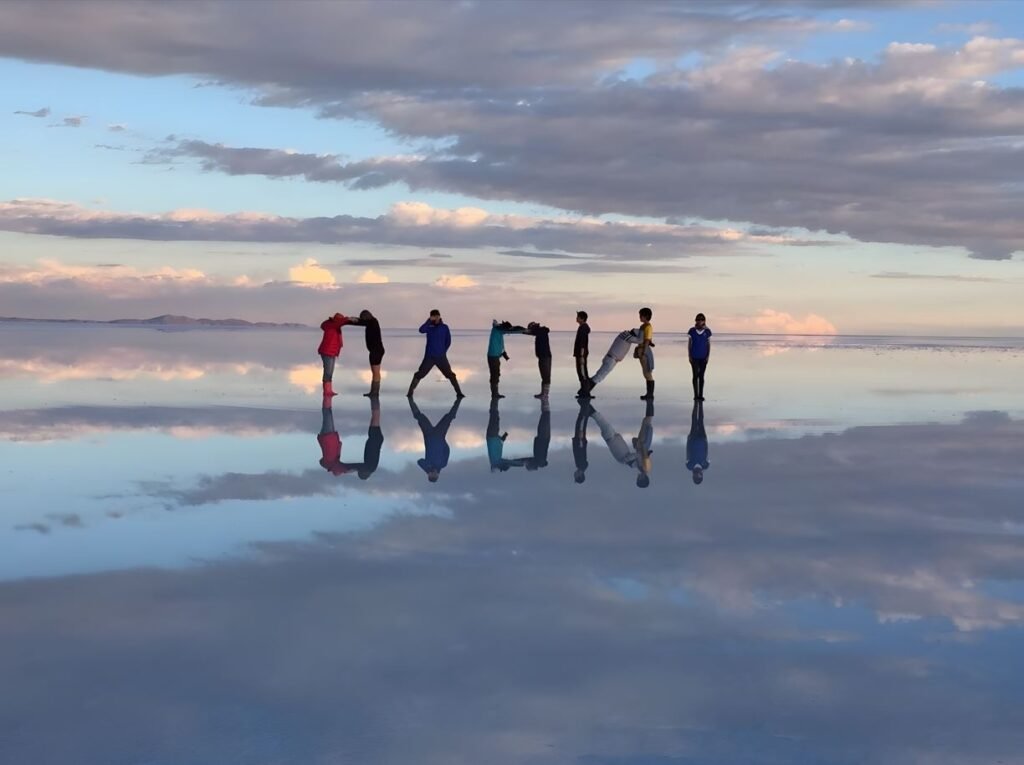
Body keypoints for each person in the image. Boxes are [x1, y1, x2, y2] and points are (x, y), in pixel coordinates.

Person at [406, 309, 465, 398]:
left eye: (437, 316)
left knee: (450, 375)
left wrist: (443, 351)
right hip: (429, 357)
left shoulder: (444, 327)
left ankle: (459, 393)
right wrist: (428, 321)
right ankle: (410, 393)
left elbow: (448, 341)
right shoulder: (429, 327)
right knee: (420, 374)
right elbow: (421, 330)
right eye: (434, 316)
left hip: (441, 357)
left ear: (439, 316)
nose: (436, 318)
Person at [589, 405, 651, 488]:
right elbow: (632, 457)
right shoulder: (639, 466)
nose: (637, 478)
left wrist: (641, 455)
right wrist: (643, 455)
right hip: (612, 437)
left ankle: (585, 404)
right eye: (638, 479)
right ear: (642, 479)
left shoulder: (634, 465)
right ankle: (585, 405)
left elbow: (629, 458)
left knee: (598, 418)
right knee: (598, 418)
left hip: (611, 438)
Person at [410, 397, 460, 483]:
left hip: (428, 434)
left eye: (431, 475)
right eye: (434, 475)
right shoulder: (443, 464)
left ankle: (410, 398)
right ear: (437, 475)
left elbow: (419, 461)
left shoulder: (426, 466)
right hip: (439, 435)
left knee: (419, 416)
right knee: (449, 417)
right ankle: (459, 399)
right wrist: (442, 441)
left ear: (429, 475)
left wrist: (428, 469)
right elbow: (447, 450)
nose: (433, 474)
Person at [580, 327, 641, 397]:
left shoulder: (624, 334)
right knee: (598, 377)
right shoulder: (627, 337)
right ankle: (584, 392)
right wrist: (643, 334)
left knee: (598, 376)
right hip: (611, 360)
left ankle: (584, 391)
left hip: (610, 358)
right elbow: (640, 341)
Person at [338, 397, 384, 480]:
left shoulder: (371, 468)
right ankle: (375, 397)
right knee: (376, 417)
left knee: (374, 417)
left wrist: (347, 468)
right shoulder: (370, 468)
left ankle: (373, 399)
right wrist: (344, 467)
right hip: (375, 439)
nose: (359, 470)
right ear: (364, 473)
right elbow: (357, 466)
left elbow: (358, 467)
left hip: (375, 439)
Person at [317, 312, 354, 397]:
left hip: (331, 352)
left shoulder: (333, 326)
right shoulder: (332, 325)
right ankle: (327, 391)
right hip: (327, 352)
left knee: (330, 372)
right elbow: (340, 322)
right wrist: (348, 318)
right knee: (328, 372)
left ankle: (329, 390)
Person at [487, 319, 525, 399]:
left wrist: (504, 354)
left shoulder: (498, 330)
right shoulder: (497, 330)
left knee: (496, 374)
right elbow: (512, 330)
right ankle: (495, 394)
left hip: (494, 356)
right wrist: (524, 331)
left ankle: (495, 393)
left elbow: (511, 330)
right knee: (495, 375)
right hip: (493, 357)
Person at [355, 309, 385, 398]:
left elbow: (360, 323)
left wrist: (348, 320)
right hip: (378, 350)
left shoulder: (372, 322)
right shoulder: (373, 321)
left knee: (375, 372)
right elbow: (362, 322)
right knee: (376, 372)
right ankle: (374, 392)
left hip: (376, 351)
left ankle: (374, 392)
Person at [317, 402, 347, 476]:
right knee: (328, 414)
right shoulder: (334, 461)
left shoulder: (330, 461)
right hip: (330, 437)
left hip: (327, 437)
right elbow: (321, 462)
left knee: (327, 415)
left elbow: (340, 445)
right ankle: (328, 399)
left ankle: (327, 396)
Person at [688, 312, 712, 401]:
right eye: (698, 319)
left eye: (702, 319)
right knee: (695, 375)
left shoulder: (707, 332)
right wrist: (689, 355)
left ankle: (701, 395)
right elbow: (689, 344)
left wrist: (708, 356)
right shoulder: (692, 331)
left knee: (701, 376)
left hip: (703, 357)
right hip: (694, 356)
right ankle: (696, 395)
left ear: (704, 321)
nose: (700, 321)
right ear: (696, 321)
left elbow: (708, 345)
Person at [526, 321, 552, 399]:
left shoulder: (541, 331)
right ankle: (543, 393)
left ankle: (545, 394)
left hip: (544, 357)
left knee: (546, 376)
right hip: (543, 356)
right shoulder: (541, 331)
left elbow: (533, 332)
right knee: (544, 376)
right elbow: (532, 333)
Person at [486, 397, 513, 472]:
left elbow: (510, 462)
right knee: (495, 416)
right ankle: (495, 399)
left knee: (494, 415)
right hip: (494, 435)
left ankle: (495, 398)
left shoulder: (495, 462)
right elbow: (500, 443)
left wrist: (521, 464)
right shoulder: (497, 458)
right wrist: (505, 436)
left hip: (492, 435)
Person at [686, 400, 709, 484]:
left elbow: (688, 452)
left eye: (696, 477)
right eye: (699, 476)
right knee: (701, 420)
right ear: (702, 475)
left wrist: (688, 440)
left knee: (694, 421)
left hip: (693, 439)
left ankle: (696, 403)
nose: (697, 475)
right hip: (702, 439)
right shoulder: (705, 465)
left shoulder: (689, 466)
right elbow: (706, 452)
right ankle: (700, 404)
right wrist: (706, 440)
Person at [635, 307, 655, 401]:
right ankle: (648, 394)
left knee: (647, 373)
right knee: (645, 372)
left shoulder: (648, 327)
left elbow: (647, 340)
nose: (639, 317)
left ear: (645, 316)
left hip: (644, 350)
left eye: (641, 315)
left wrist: (643, 352)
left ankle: (650, 394)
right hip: (641, 349)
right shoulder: (643, 326)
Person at [572, 399, 592, 484]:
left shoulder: (581, 466)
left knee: (581, 421)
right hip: (580, 440)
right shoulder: (581, 465)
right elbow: (581, 452)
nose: (574, 475)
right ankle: (585, 403)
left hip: (579, 440)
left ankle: (585, 404)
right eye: (576, 476)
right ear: (580, 475)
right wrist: (580, 440)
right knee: (581, 421)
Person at [573, 310, 590, 397]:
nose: (576, 318)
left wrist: (582, 356)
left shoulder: (583, 328)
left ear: (582, 319)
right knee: (581, 372)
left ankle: (585, 391)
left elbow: (583, 343)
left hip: (581, 354)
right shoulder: (582, 327)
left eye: (578, 317)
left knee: (582, 372)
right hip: (579, 354)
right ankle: (583, 390)